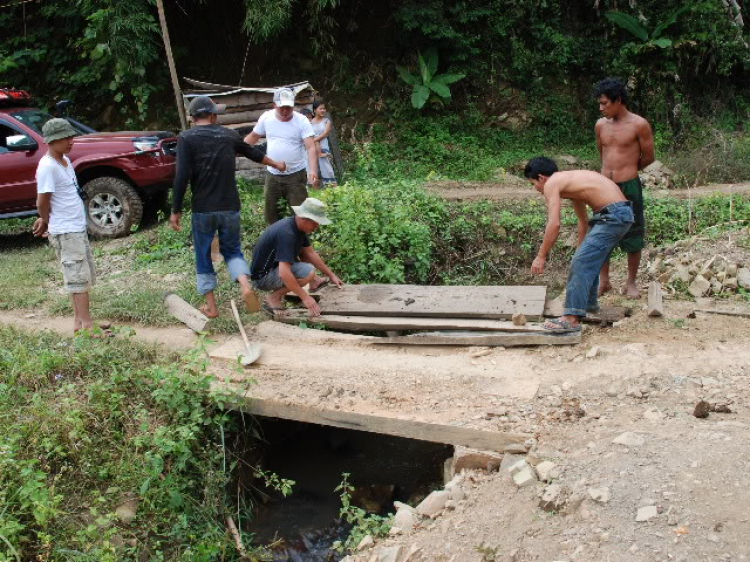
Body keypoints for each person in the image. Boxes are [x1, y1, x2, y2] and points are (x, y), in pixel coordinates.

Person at [170, 96, 287, 318]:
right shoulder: (228, 135)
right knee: (232, 251)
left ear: (193, 117)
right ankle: (245, 285)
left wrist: (176, 210)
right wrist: (277, 164)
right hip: (230, 206)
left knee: (203, 255)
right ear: (212, 116)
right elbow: (253, 153)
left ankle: (212, 308)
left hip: (203, 209)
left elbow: (181, 176)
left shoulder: (186, 138)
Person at [525, 157, 634, 331]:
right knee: (584, 260)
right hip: (617, 214)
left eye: (533, 184)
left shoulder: (552, 182)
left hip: (613, 215)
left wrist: (541, 256)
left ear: (541, 178)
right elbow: (583, 222)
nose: (536, 189)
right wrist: (580, 249)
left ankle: (570, 318)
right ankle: (588, 305)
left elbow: (554, 223)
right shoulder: (571, 184)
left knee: (582, 263)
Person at [32, 118, 100, 334]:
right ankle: (88, 325)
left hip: (75, 226)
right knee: (78, 277)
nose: (71, 141)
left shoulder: (65, 161)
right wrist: (46, 220)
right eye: (66, 137)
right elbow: (42, 201)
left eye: (71, 136)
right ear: (53, 140)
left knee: (79, 275)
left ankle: (80, 323)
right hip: (66, 229)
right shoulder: (47, 167)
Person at [594, 77, 655, 298]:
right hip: (604, 186)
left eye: (605, 103)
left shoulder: (639, 124)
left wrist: (628, 170)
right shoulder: (600, 125)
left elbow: (648, 157)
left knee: (633, 231)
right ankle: (604, 280)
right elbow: (602, 154)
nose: (601, 108)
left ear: (618, 100)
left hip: (629, 185)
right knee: (602, 231)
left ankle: (631, 283)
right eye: (599, 104)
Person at [250, 197, 343, 317]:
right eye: (315, 223)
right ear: (303, 218)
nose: (316, 227)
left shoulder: (297, 227)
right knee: (308, 272)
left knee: (308, 267)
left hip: (274, 268)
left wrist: (331, 275)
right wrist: (305, 298)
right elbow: (284, 273)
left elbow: (310, 254)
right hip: (262, 278)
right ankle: (274, 297)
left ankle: (314, 282)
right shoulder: (287, 233)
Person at [244, 88, 319, 224]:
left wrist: (312, 170)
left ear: (293, 106)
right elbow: (254, 136)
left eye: (288, 108)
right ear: (274, 105)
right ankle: (275, 240)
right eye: (281, 108)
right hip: (273, 175)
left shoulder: (301, 121)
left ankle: (303, 242)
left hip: (296, 175)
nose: (285, 111)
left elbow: (311, 147)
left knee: (302, 214)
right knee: (271, 214)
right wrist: (238, 147)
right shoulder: (267, 118)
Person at [311, 100, 338, 187]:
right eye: (320, 108)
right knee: (313, 168)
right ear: (315, 110)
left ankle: (334, 188)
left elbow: (325, 134)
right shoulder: (310, 122)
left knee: (327, 168)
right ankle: (315, 189)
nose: (323, 110)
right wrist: (313, 142)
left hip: (323, 148)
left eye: (324, 108)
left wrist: (314, 140)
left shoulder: (327, 121)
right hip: (311, 148)